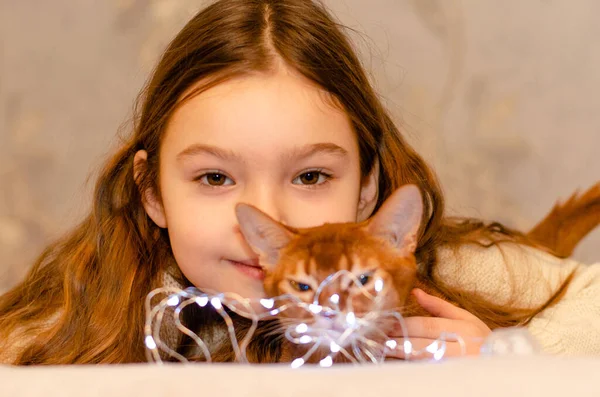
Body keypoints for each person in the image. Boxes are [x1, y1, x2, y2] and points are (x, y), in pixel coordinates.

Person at [1, 0, 598, 364]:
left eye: (311, 175)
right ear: (152, 192)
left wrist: (510, 358)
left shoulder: (448, 275)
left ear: (367, 188)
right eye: (215, 177)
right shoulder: (78, 315)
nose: (261, 215)